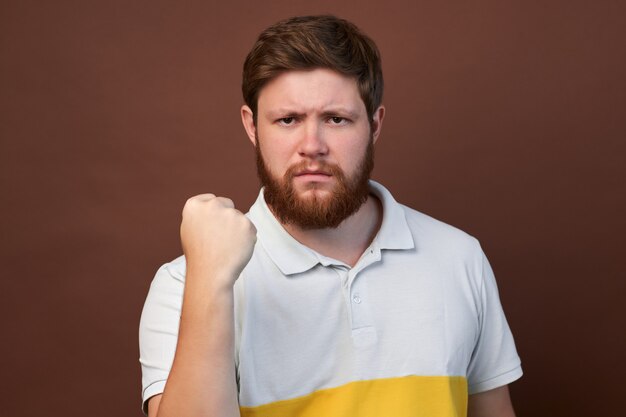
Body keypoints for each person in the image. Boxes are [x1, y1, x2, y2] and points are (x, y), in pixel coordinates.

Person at [139, 15, 522, 417]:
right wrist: (212, 282)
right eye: (288, 120)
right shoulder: (185, 286)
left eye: (336, 119)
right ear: (252, 127)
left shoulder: (459, 257)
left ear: (374, 125)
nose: (312, 146)